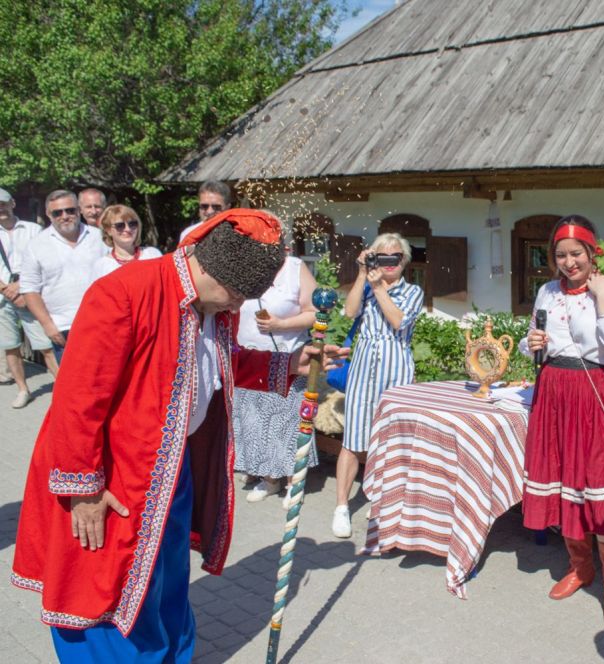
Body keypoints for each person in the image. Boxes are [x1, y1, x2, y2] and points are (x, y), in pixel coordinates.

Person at [10, 209, 348, 663]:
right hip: (111, 480)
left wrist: (288, 365)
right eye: (235, 296)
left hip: (171, 470)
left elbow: (215, 363)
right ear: (210, 268)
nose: (236, 308)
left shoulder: (211, 304)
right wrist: (83, 489)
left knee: (164, 585)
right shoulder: (124, 292)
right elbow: (77, 399)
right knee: (105, 595)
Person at [520, 215, 604, 632]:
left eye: (577, 254)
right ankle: (580, 568)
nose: (569, 262)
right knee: (566, 485)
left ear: (593, 254)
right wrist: (529, 343)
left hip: (596, 395)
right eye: (561, 255)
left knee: (602, 494)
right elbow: (533, 338)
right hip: (554, 392)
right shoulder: (547, 292)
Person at [333, 232, 423, 538]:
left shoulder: (413, 292)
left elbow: (398, 321)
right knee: (352, 438)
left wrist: (377, 285)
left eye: (394, 258)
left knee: (390, 439)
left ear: (404, 262)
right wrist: (361, 274)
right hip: (363, 369)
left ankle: (382, 501)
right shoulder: (367, 284)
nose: (387, 264)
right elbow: (348, 311)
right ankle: (342, 506)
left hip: (395, 370)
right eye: (381, 257)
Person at [234, 253, 319, 506]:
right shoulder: (247, 264)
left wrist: (282, 324)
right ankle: (269, 479)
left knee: (288, 424)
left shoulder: (294, 268)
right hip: (250, 358)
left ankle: (295, 483)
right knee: (255, 423)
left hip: (290, 357)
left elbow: (316, 312)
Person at [19, 190, 105, 364]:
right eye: (57, 212)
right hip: (64, 328)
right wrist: (48, 326)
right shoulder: (36, 245)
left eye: (70, 210)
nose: (65, 216)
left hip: (103, 324)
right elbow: (29, 289)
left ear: (78, 210)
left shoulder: (101, 237)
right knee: (73, 387)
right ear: (48, 215)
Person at [0, 187, 58, 408]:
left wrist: (21, 286)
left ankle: (61, 386)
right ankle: (22, 389)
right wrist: (7, 290)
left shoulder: (34, 229)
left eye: (4, 203)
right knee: (10, 346)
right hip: (3, 297)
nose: (1, 209)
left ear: (13, 203)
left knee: (46, 344)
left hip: (30, 294)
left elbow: (44, 259)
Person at [90, 205, 162, 280]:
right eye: (120, 226)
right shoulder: (102, 266)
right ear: (108, 230)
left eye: (132, 224)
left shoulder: (152, 255)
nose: (128, 229)